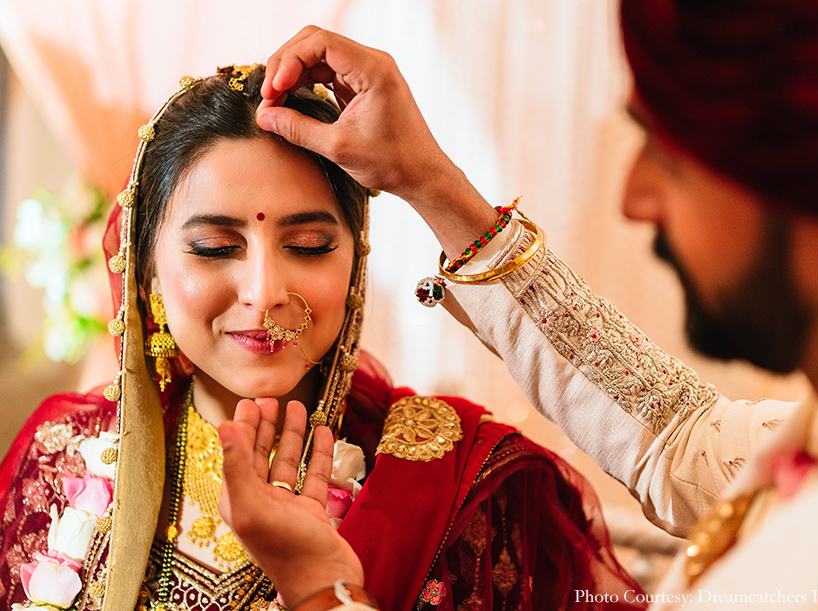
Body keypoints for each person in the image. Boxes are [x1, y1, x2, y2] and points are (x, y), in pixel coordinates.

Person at [221, 2, 818, 609]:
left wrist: (321, 588)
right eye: (213, 245)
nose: (633, 198)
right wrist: (427, 180)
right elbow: (677, 436)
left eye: (672, 159)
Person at [0, 65, 644, 610]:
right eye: (215, 247)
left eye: (308, 245)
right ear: (145, 272)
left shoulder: (461, 489)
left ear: (355, 261)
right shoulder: (63, 461)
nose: (264, 292)